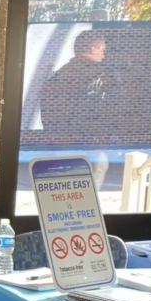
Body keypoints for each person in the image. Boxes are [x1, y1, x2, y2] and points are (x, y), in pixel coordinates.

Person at [39, 30, 111, 191]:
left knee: (65, 194)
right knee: (99, 165)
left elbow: (47, 109)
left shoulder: (58, 76)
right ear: (93, 48)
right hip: (85, 145)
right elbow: (101, 110)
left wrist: (55, 136)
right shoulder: (98, 76)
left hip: (58, 143)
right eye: (102, 50)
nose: (104, 55)